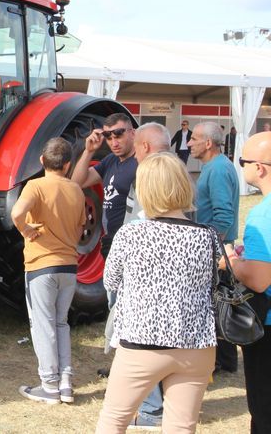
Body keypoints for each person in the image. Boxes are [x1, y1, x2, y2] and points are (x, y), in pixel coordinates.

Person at [95, 152, 218, 433]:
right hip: (195, 344)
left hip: (141, 342)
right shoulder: (207, 235)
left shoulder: (130, 234)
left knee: (113, 421)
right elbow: (210, 285)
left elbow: (110, 281)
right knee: (181, 427)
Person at [12, 138, 86, 405]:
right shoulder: (77, 190)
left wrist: (27, 230)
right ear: (68, 165)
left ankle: (49, 385)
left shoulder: (36, 186)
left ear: (42, 161)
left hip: (41, 265)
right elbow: (80, 230)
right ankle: (65, 383)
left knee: (43, 325)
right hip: (69, 266)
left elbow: (17, 212)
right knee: (61, 323)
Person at [116, 122, 172, 429]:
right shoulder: (173, 171)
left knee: (146, 341)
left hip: (148, 279)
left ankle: (151, 409)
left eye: (136, 145)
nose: (133, 151)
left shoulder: (151, 174)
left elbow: (141, 221)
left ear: (146, 147)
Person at [222, 131, 271, 433]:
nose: (241, 167)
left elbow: (259, 278)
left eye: (242, 161)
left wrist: (231, 261)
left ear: (261, 167)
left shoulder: (262, 214)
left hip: (267, 326)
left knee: (264, 410)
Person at [187, 121, 240, 373]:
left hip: (216, 249)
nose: (188, 143)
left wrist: (208, 247)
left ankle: (223, 361)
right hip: (218, 247)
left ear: (208, 143)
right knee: (219, 304)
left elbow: (223, 216)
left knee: (217, 305)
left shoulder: (217, 170)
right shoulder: (216, 166)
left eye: (193, 138)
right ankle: (225, 361)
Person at [71, 113, 138, 260]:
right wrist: (89, 152)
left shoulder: (141, 163)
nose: (114, 143)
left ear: (132, 133)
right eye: (109, 137)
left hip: (131, 243)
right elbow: (77, 183)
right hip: (111, 240)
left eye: (119, 135)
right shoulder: (110, 160)